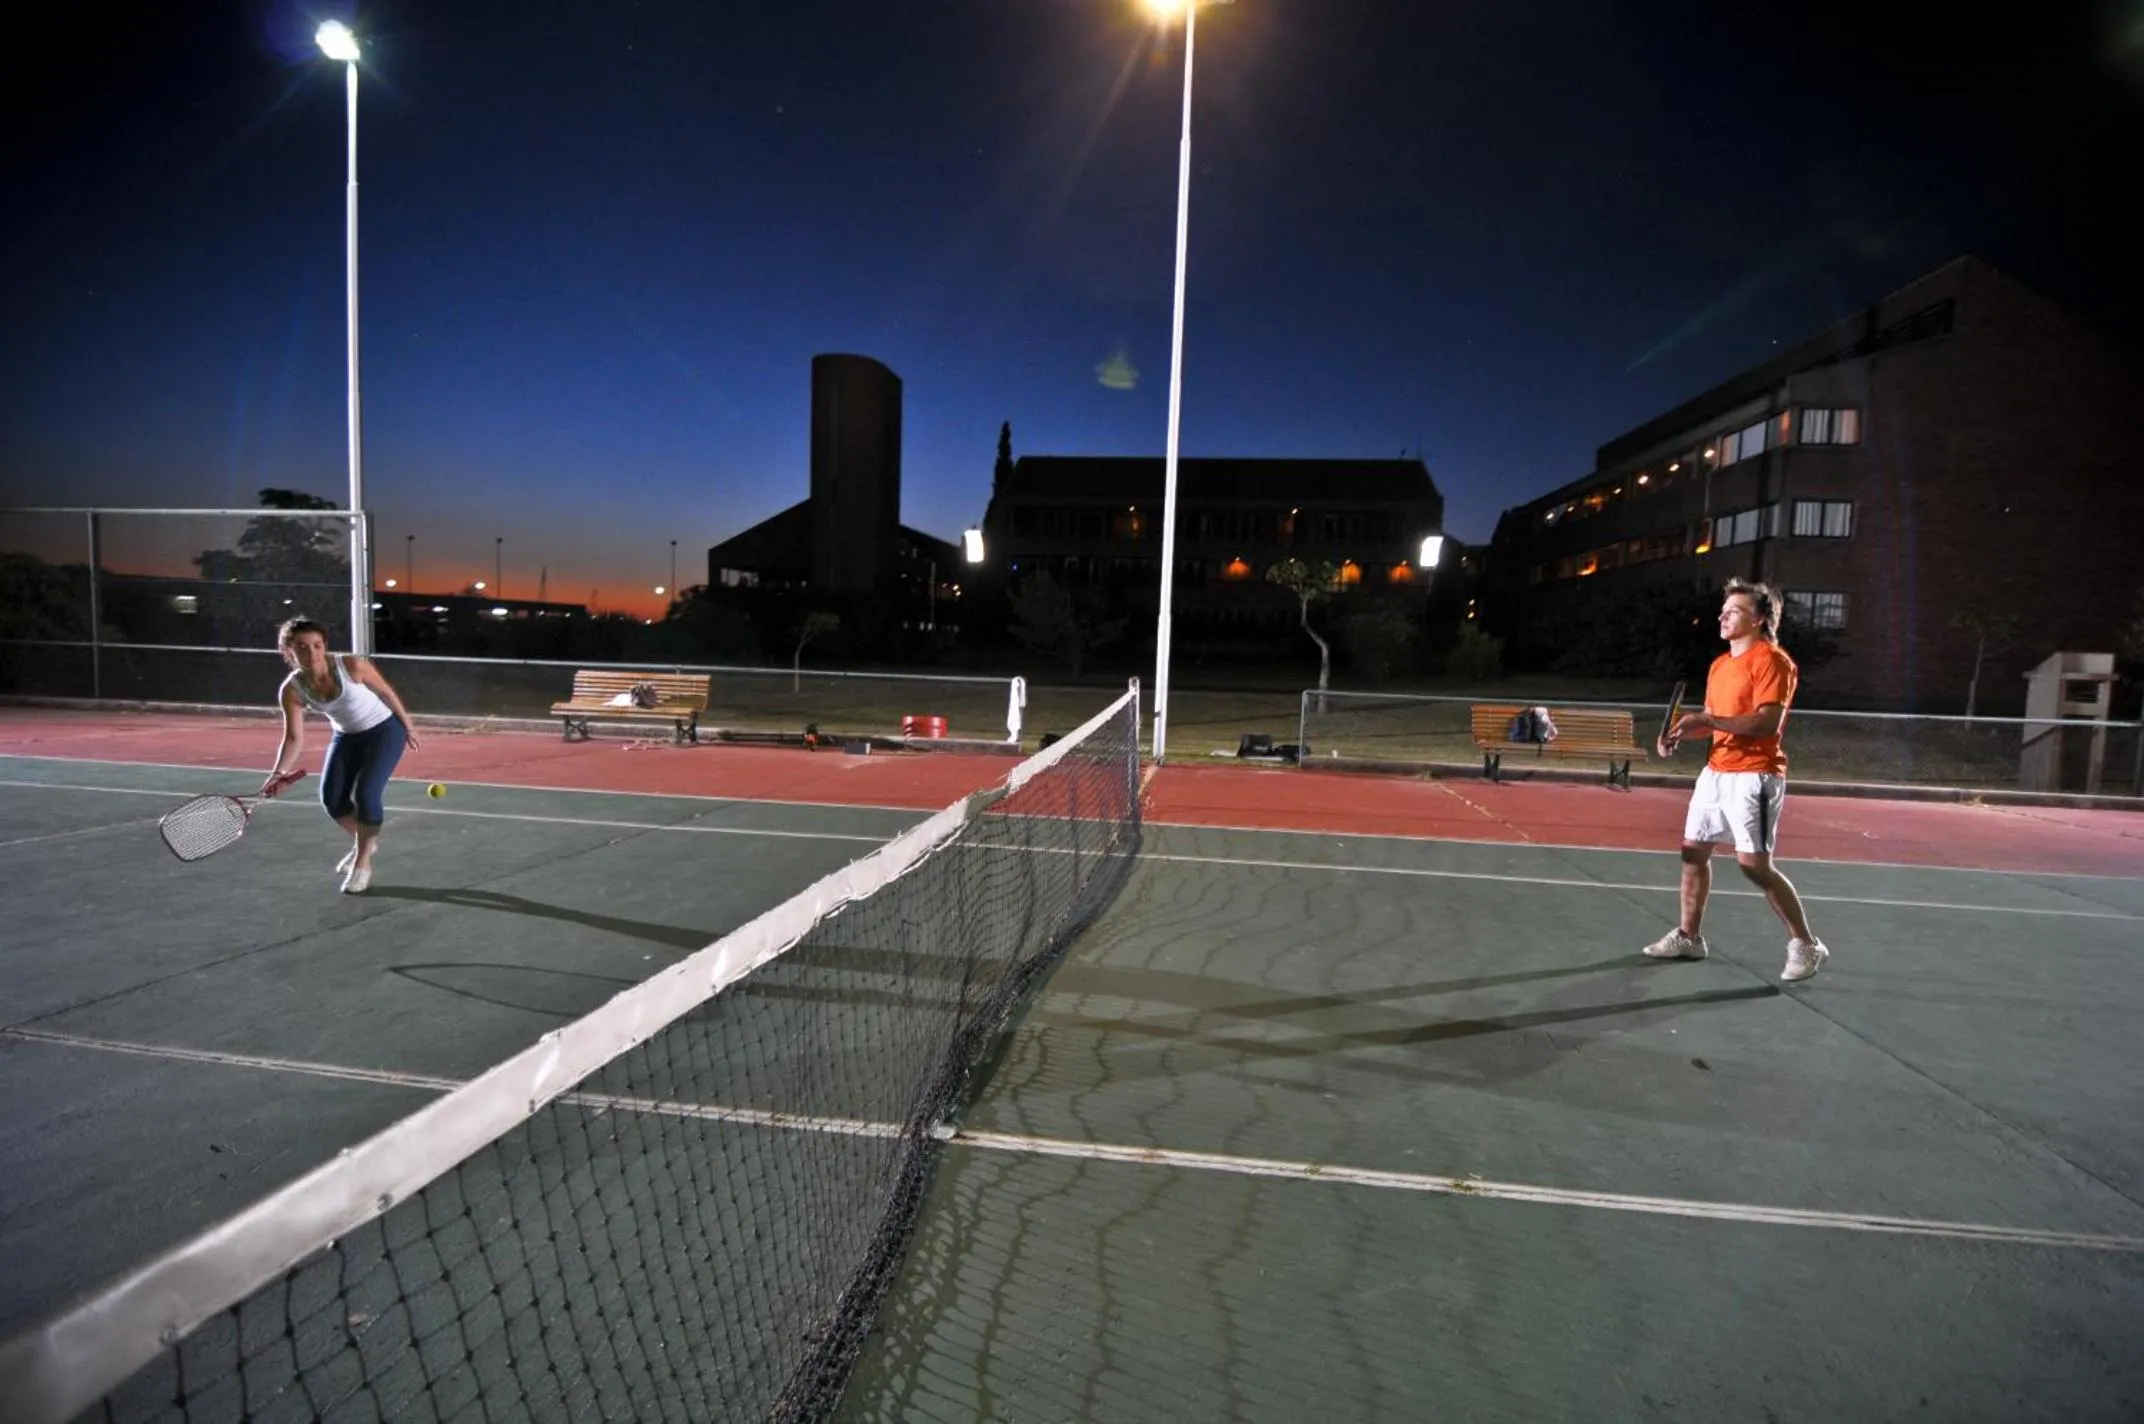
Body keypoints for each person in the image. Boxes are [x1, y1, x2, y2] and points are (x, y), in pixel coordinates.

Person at [1643, 578, 1830, 982]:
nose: (1722, 616)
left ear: (1760, 618)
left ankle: (1807, 945)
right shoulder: (1719, 665)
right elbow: (1716, 722)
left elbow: (1766, 723)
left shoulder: (1773, 661)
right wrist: (1680, 733)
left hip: (1755, 775)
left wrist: (1704, 719)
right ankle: (1689, 937)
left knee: (1754, 866)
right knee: (1692, 853)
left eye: (1735, 611)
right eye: (1723, 610)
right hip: (1715, 772)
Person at [262, 617, 420, 894]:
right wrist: (277, 774)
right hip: (346, 736)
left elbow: (385, 690)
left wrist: (408, 726)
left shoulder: (351, 666)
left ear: (325, 646)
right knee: (332, 799)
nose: (311, 653)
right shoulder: (292, 689)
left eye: (317, 645)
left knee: (367, 795)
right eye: (302, 647)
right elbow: (294, 737)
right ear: (288, 651)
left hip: (383, 731)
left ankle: (362, 862)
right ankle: (366, 840)